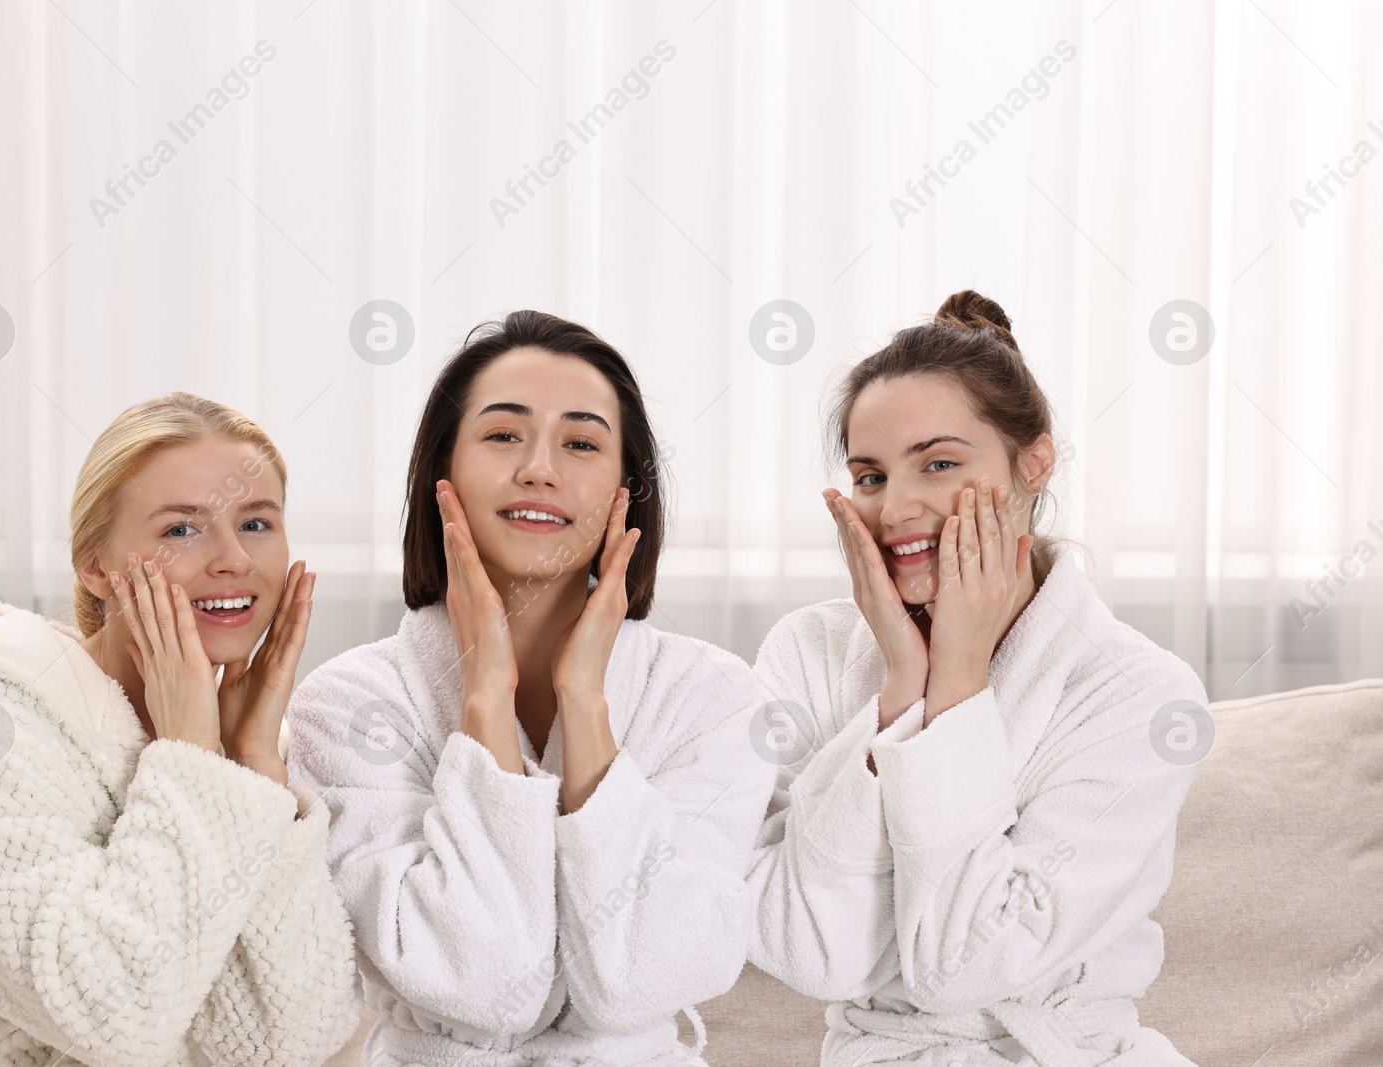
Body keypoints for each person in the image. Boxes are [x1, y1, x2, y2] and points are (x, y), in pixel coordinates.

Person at [286, 311, 775, 1066]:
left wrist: (585, 704)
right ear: (441, 474)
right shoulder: (351, 703)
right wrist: (484, 697)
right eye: (503, 435)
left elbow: (643, 981)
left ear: (625, 492)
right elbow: (485, 985)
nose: (539, 469)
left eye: (581, 443)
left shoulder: (711, 696)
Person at [747, 291, 1209, 1066]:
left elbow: (962, 964)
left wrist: (954, 683)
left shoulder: (1142, 694)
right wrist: (901, 693)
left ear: (1034, 461)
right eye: (869, 475)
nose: (896, 507)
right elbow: (810, 952)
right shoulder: (810, 654)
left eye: (939, 463)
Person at [0, 392, 361, 1066]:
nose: (233, 559)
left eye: (256, 522)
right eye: (181, 529)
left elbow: (293, 1043)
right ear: (97, 567)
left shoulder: (239, 754)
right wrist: (190, 758)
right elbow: (113, 1021)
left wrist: (252, 767)